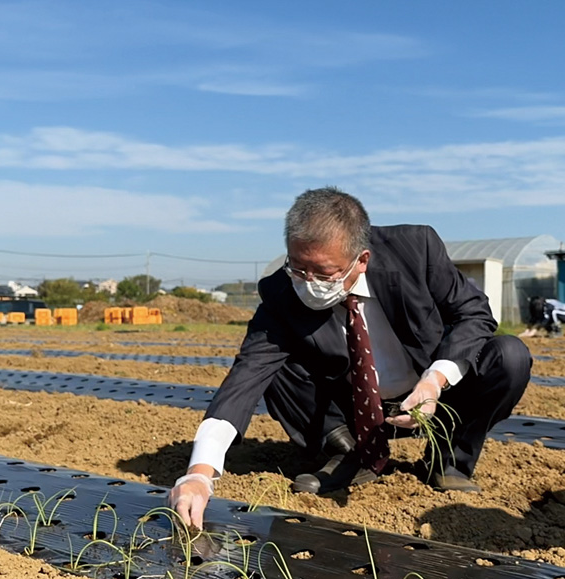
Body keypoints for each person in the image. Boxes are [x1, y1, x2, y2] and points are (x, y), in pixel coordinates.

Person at [169, 187, 532, 530]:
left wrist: (435, 380)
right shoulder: (282, 293)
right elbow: (247, 375)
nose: (308, 283)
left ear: (361, 260)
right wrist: (200, 473)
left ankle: (449, 460)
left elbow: (474, 315)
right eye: (298, 268)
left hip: (431, 395)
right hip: (349, 406)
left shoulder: (415, 250)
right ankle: (350, 452)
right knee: (274, 367)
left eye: (324, 273)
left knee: (510, 356)